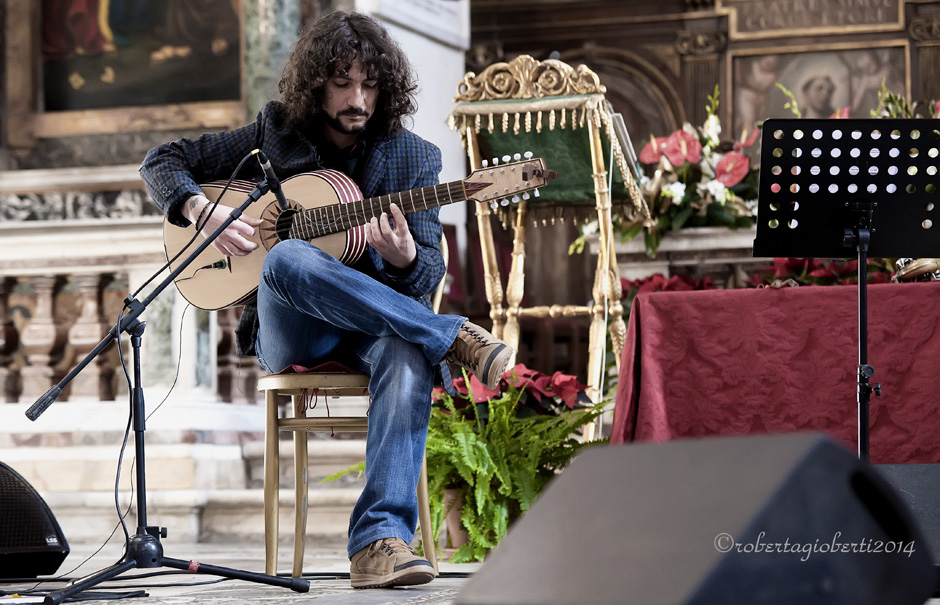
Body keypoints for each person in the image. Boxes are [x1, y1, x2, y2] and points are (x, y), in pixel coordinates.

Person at [139, 11, 512, 589]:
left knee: (407, 351)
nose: (357, 97)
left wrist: (406, 260)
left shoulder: (415, 159)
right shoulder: (274, 133)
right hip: (291, 330)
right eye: (343, 82)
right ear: (316, 83)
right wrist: (199, 210)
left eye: (369, 83)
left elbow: (429, 267)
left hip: (371, 328)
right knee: (287, 257)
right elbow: (162, 159)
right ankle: (449, 334)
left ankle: (378, 543)